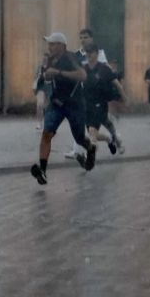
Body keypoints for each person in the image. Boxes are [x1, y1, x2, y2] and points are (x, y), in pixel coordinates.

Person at [30, 32, 96, 185]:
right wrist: (46, 76)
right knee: (47, 134)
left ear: (62, 46)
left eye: (52, 44)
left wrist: (59, 73)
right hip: (56, 103)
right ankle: (43, 171)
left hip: (75, 105)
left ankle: (90, 148)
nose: (49, 46)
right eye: (49, 44)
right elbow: (45, 76)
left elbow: (82, 75)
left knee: (79, 138)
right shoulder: (49, 59)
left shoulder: (70, 57)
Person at [63, 28, 109, 159]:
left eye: (86, 37)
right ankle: (77, 149)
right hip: (81, 93)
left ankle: (109, 138)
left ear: (91, 38)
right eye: (81, 37)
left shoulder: (99, 53)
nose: (83, 40)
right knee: (78, 121)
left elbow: (104, 71)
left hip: (94, 95)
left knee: (88, 125)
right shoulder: (77, 54)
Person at [80, 43, 126, 161]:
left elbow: (117, 84)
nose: (88, 54)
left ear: (96, 53)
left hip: (100, 104)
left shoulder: (104, 69)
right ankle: (111, 140)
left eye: (91, 52)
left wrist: (124, 98)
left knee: (92, 131)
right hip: (87, 105)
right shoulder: (83, 68)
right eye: (87, 52)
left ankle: (89, 156)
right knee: (100, 129)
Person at [34, 53, 51, 131]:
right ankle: (39, 122)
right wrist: (40, 75)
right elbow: (36, 77)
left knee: (47, 107)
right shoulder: (40, 68)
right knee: (39, 104)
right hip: (41, 87)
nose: (45, 61)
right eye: (44, 59)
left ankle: (48, 123)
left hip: (49, 87)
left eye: (46, 59)